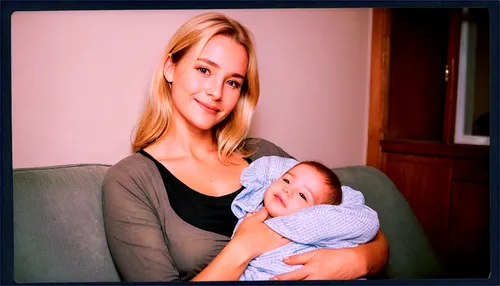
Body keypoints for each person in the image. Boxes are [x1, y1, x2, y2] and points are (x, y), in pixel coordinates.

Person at [102, 12, 389, 282]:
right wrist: (244, 247)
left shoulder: (266, 158)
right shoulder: (131, 181)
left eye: (232, 82)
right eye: (204, 70)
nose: (216, 92)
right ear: (170, 67)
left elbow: (369, 232)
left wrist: (355, 261)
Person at [231, 156, 380, 280]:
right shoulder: (251, 217)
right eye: (286, 180)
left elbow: (367, 225)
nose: (287, 189)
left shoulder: (323, 230)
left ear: (318, 212)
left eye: (303, 195)